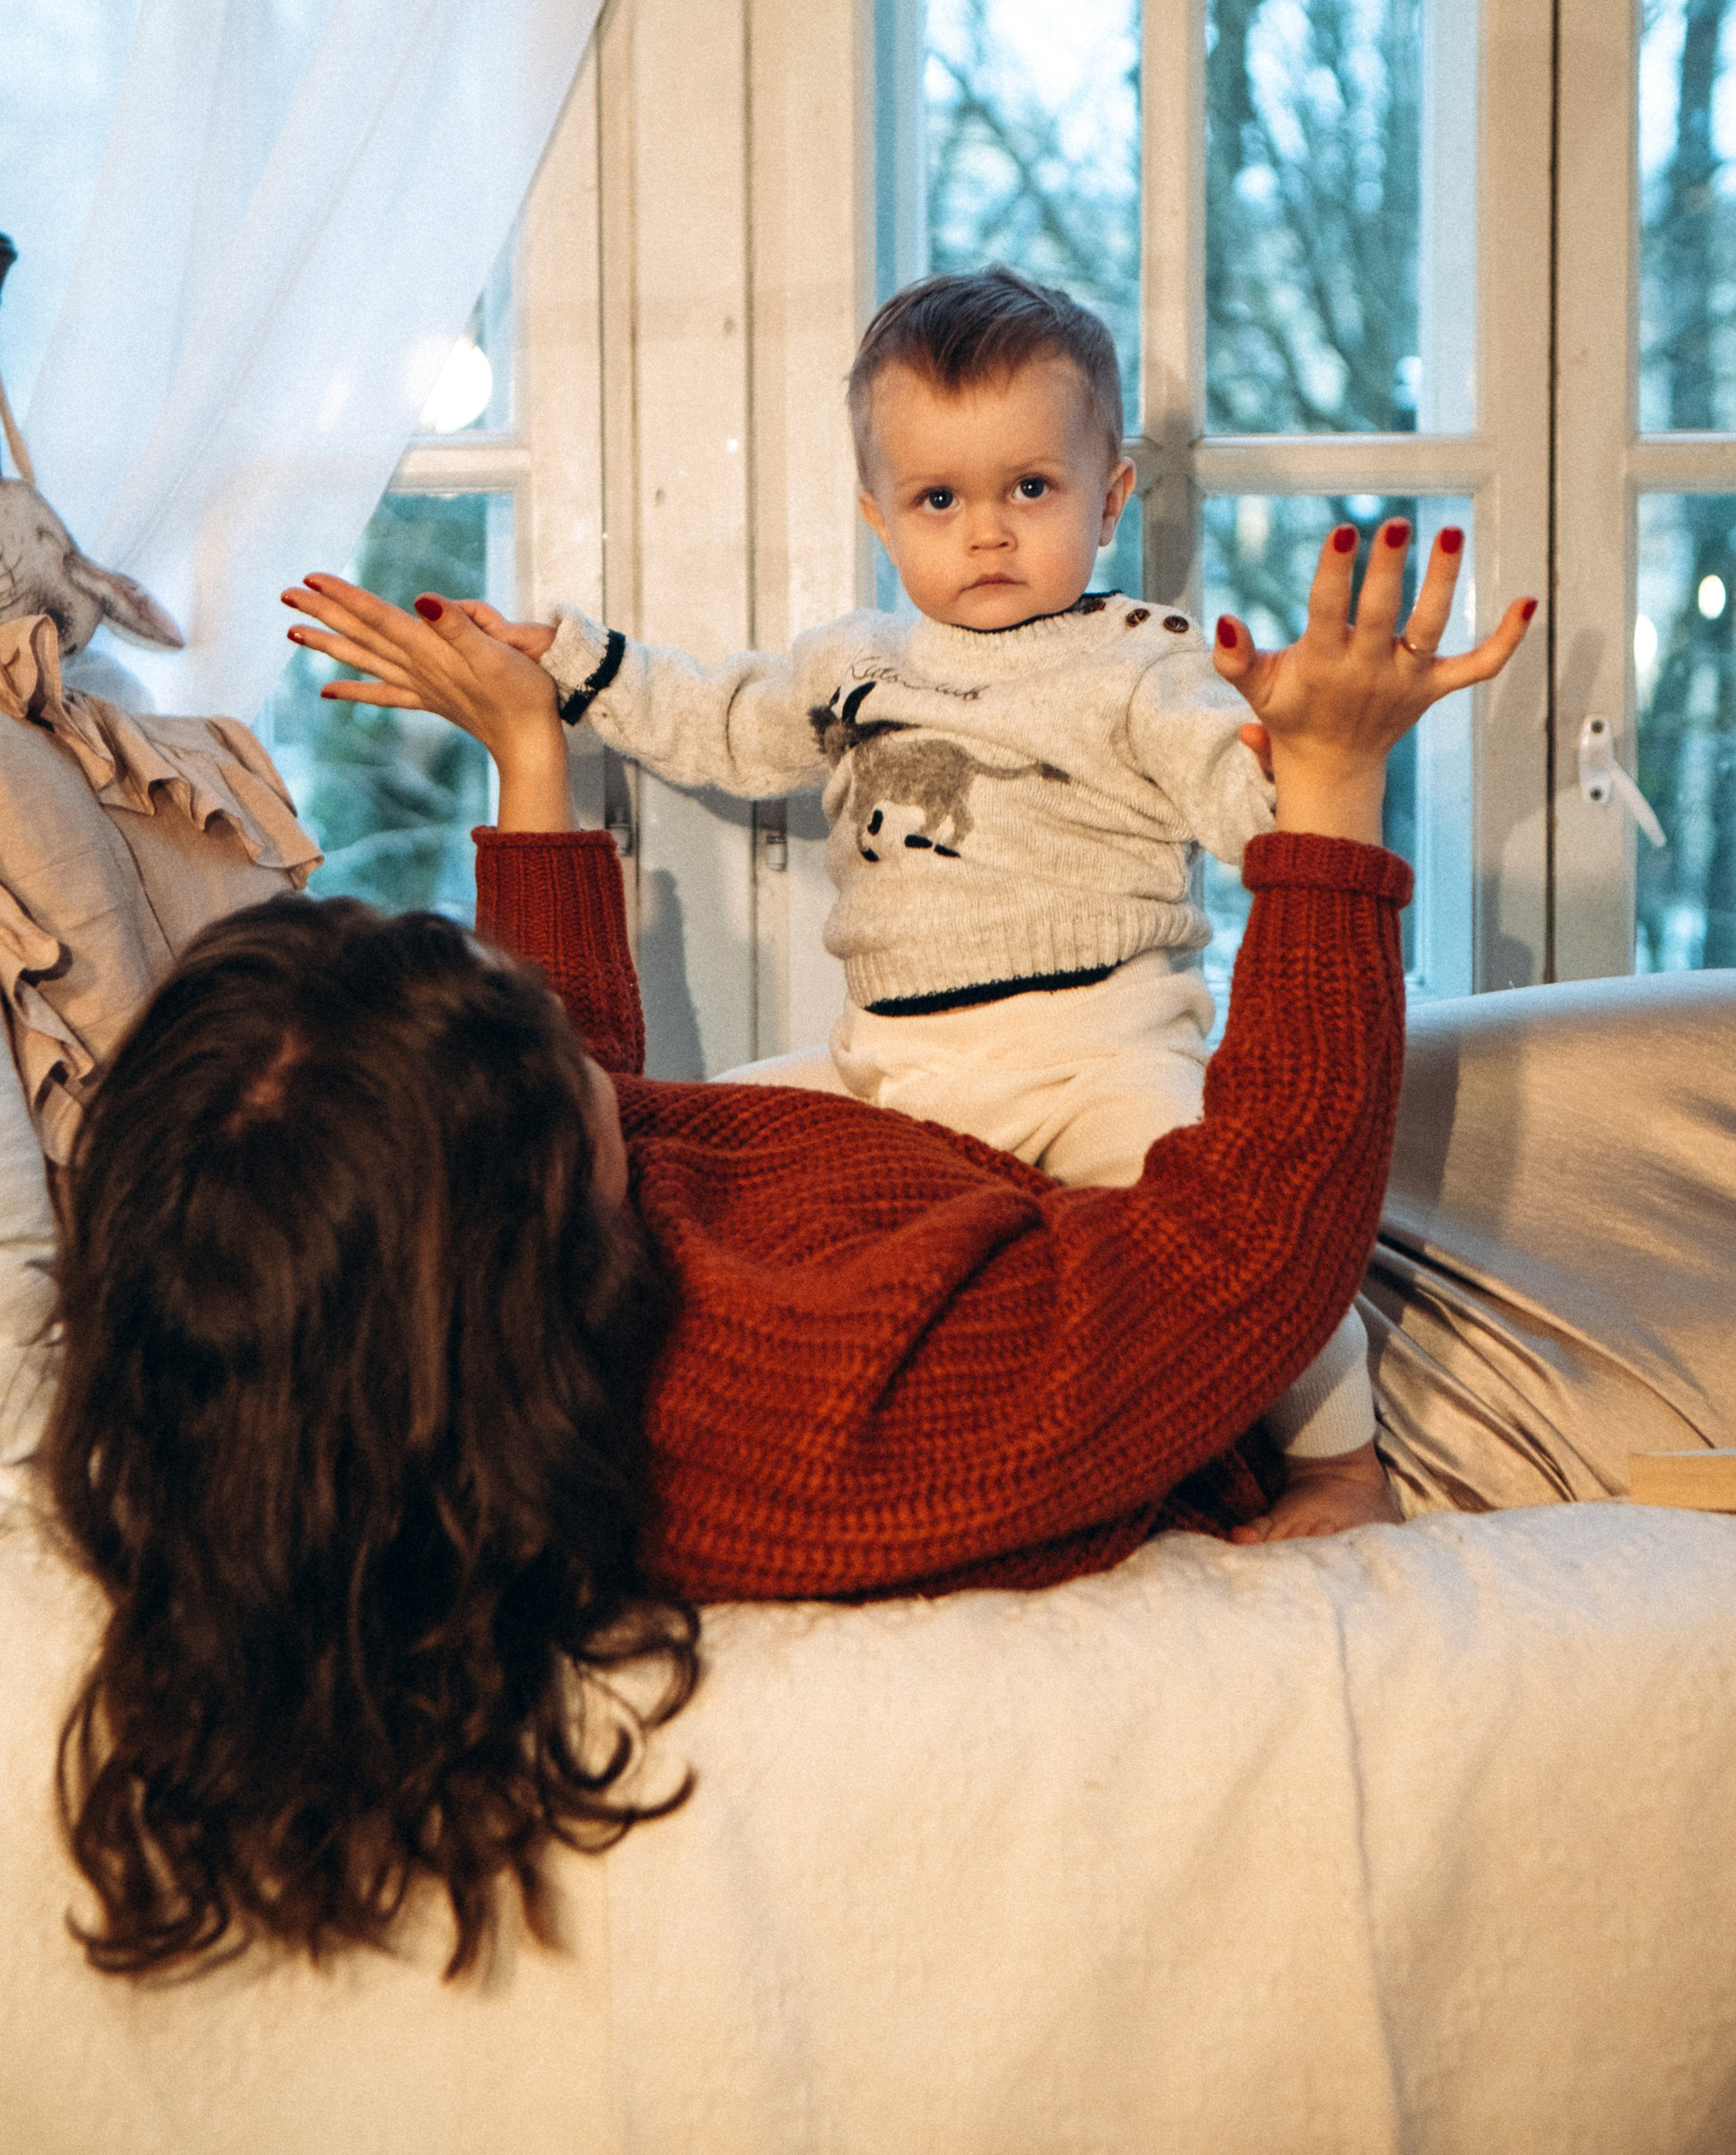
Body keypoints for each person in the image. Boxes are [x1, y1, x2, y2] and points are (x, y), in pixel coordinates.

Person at [36, 519, 1525, 1985]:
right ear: (528, 1212)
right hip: (1210, 1280)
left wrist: (531, 755)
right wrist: (1330, 799)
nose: (583, 1050)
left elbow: (542, 1101)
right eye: (557, 1061)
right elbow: (1237, 1259)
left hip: (985, 1172)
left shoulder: (470, 1316)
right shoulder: (813, 1408)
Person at [325, 269, 1416, 1535]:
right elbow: (721, 722)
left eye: (1032, 489)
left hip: (1092, 1051)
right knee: (694, 1132)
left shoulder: (1143, 667)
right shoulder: (857, 666)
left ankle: (1344, 1466)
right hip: (891, 1062)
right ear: (879, 518)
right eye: (939, 499)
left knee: (1222, 1213)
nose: (989, 533)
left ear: (1109, 498)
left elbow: (1245, 810)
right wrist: (566, 664)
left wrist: (1301, 768)